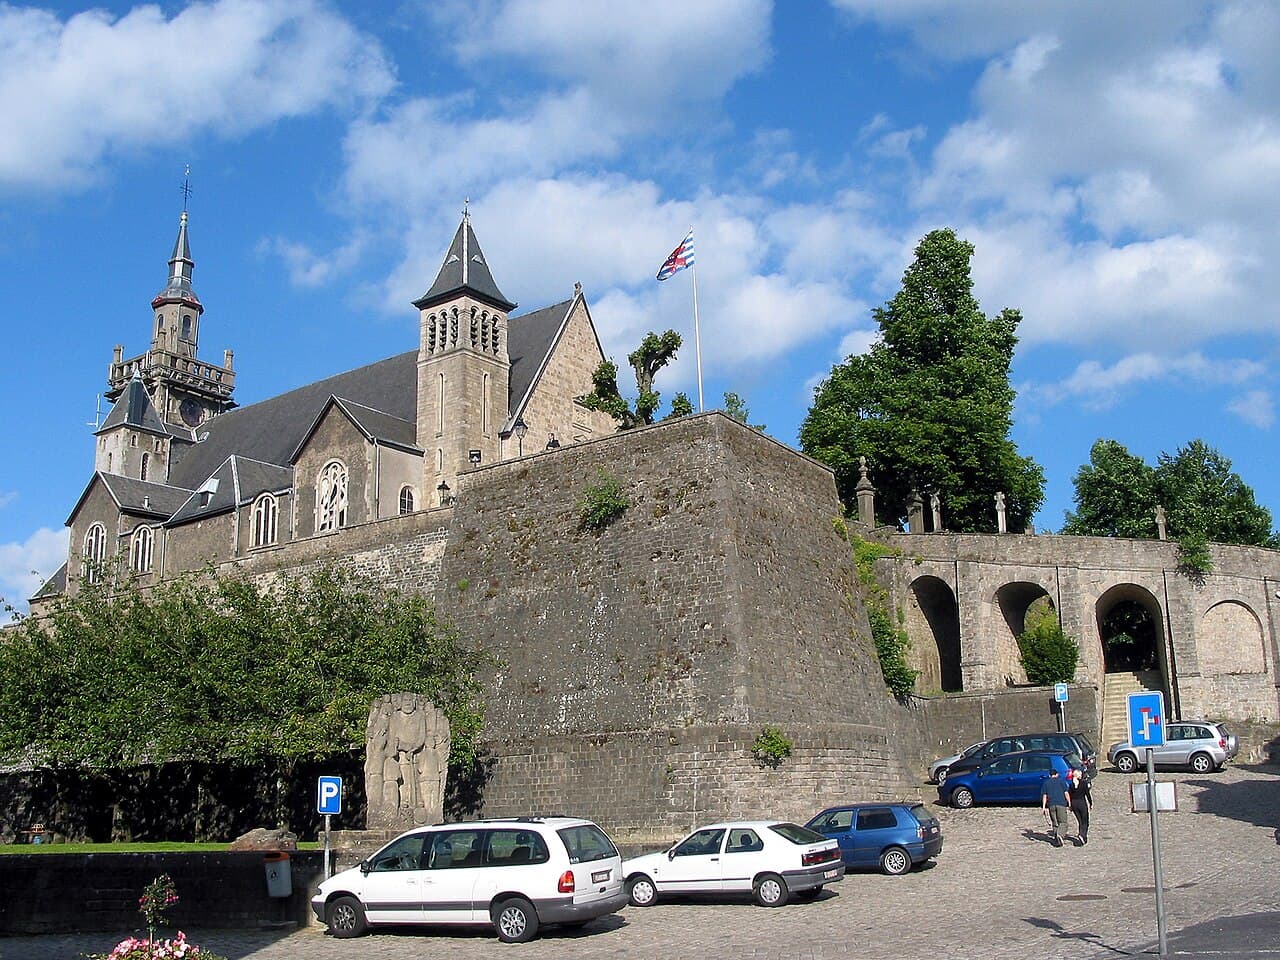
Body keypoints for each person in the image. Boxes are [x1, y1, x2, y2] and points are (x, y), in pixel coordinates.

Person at [1040, 767, 1071, 847]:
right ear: (1057, 774)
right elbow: (1066, 793)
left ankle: (1056, 840)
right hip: (1061, 803)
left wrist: (1043, 807)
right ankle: (1059, 835)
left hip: (1051, 805)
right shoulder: (1061, 781)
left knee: (1055, 823)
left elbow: (1044, 796)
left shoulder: (1046, 783)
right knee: (1063, 822)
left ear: (1050, 775)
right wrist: (1069, 803)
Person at [1068, 767, 1093, 845]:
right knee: (1085, 821)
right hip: (1081, 803)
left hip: (1074, 804)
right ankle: (1082, 835)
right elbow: (1087, 794)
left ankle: (1082, 835)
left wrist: (1070, 805)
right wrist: (1091, 803)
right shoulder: (1084, 783)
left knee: (1080, 821)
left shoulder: (1071, 784)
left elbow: (1070, 795)